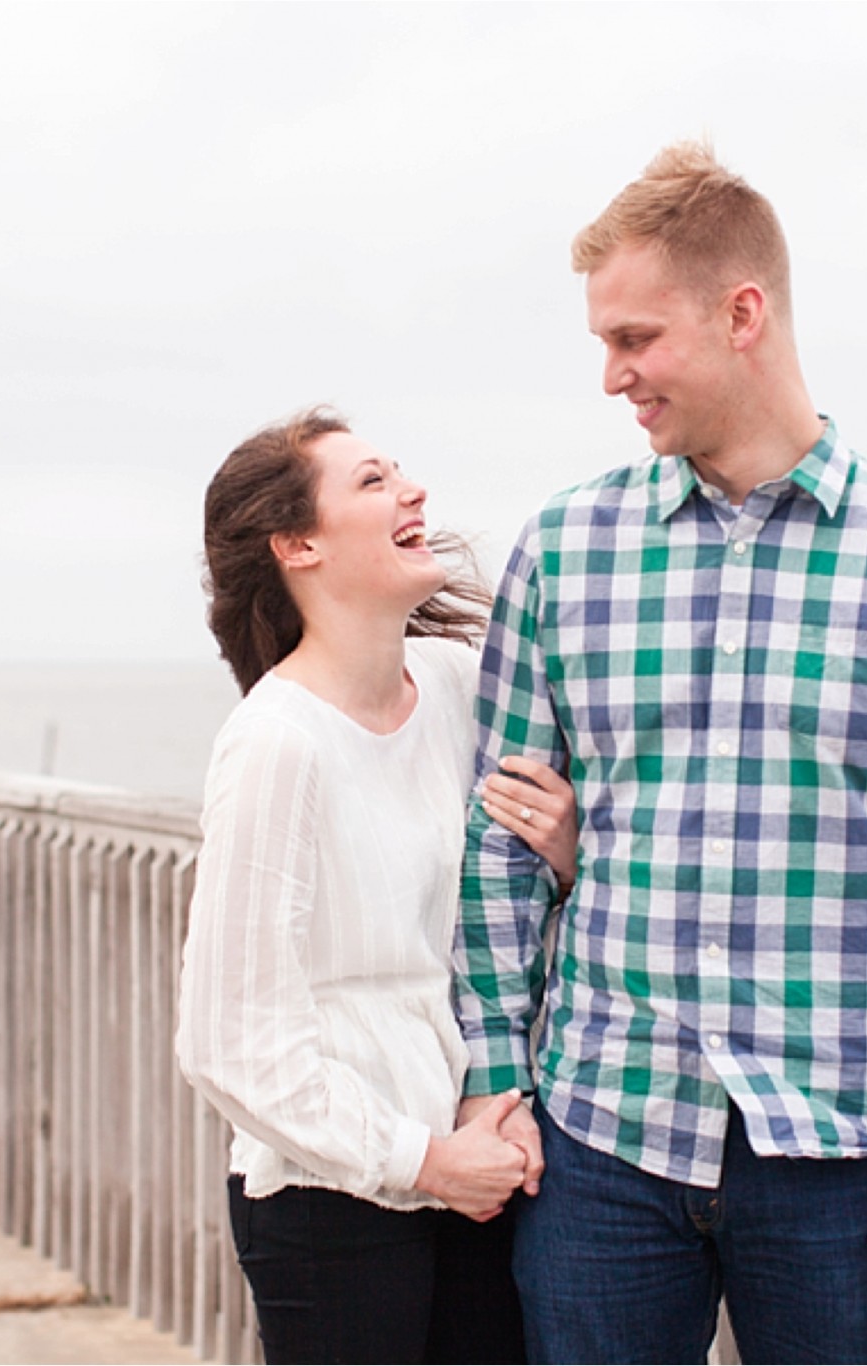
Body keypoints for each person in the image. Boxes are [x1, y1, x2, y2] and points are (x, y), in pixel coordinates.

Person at [453, 142, 867, 1364]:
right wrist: (492, 1074)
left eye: (634, 339)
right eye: (602, 345)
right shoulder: (563, 551)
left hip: (848, 1164)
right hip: (600, 1143)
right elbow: (501, 842)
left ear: (742, 314)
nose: (613, 377)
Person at [176, 407, 573, 1365]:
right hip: (337, 1198)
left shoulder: (459, 684)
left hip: (482, 1155)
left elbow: (505, 909)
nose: (413, 491)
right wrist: (424, 1162)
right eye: (371, 481)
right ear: (299, 545)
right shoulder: (279, 746)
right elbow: (228, 1041)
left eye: (399, 472)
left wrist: (565, 854)